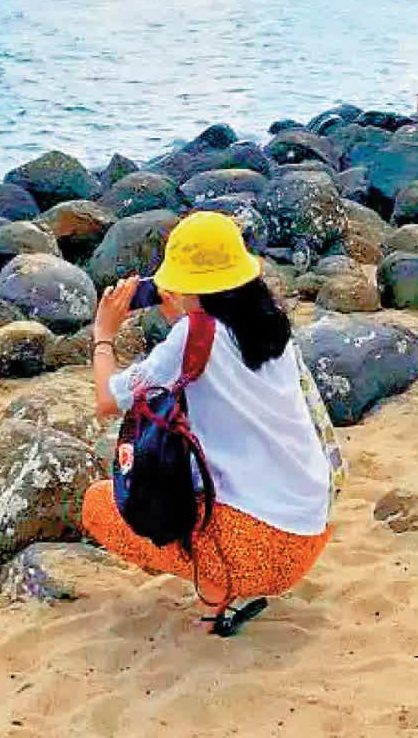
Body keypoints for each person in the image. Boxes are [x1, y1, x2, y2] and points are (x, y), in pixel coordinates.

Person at [82, 212, 335, 633]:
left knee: (99, 505)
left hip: (256, 550)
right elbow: (217, 361)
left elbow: (108, 399)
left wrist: (104, 334)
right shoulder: (272, 325)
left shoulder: (192, 337)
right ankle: (227, 584)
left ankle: (213, 600)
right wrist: (182, 319)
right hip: (307, 533)